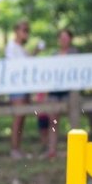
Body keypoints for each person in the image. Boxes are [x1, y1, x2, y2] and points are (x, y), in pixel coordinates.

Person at [38, 27, 78, 158]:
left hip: (70, 92)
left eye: (66, 38)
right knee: (53, 121)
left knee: (73, 119)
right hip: (55, 92)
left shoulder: (75, 54)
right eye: (61, 38)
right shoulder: (54, 55)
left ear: (70, 39)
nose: (63, 40)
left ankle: (74, 149)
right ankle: (52, 150)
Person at [5, 20, 34, 158]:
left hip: (25, 86)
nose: (26, 33)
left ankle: (18, 147)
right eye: (24, 30)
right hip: (17, 87)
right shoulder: (11, 47)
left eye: (27, 30)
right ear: (16, 31)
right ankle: (14, 148)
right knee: (18, 117)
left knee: (22, 117)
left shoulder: (22, 48)